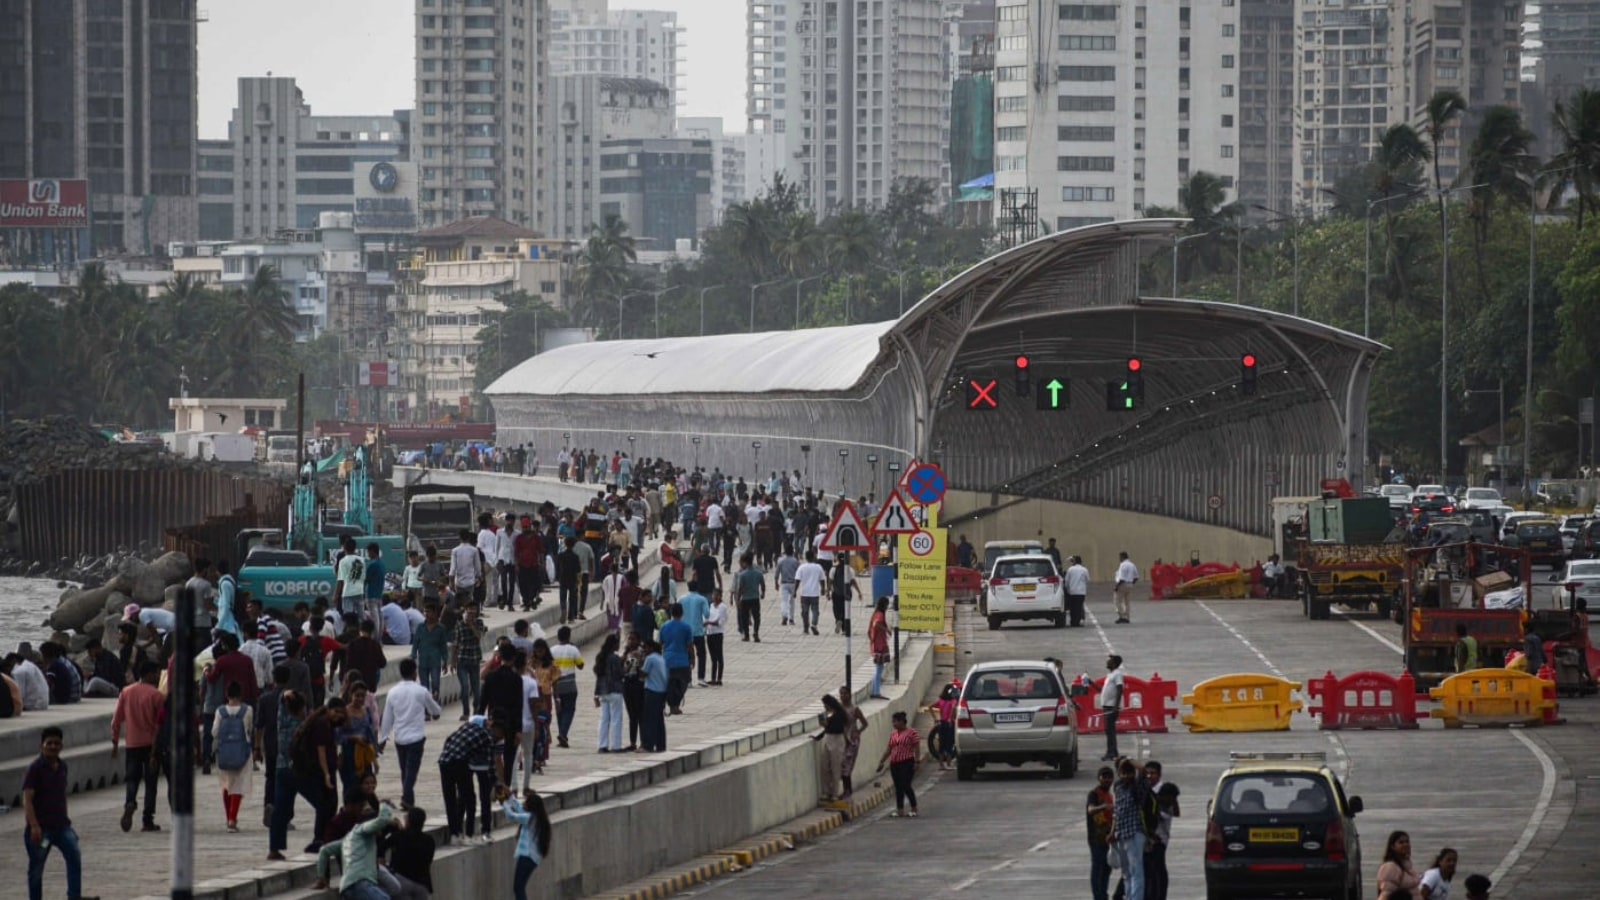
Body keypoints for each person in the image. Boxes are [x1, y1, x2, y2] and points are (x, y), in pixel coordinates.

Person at [23, 726, 96, 900]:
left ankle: (74, 896)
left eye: (57, 743)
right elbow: (27, 799)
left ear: (62, 745)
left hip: (61, 827)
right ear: (42, 746)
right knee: (37, 868)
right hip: (42, 830)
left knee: (74, 856)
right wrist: (34, 826)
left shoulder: (62, 767)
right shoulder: (35, 769)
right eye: (49, 743)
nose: (53, 746)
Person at [379, 659, 441, 809]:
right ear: (415, 672)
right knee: (411, 771)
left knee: (404, 771)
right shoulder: (421, 691)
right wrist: (435, 709)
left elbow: (387, 717)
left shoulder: (393, 692)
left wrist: (383, 737)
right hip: (416, 737)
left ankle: (409, 800)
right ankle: (406, 798)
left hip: (400, 737)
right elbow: (436, 711)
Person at [110, 661, 165, 833]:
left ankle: (130, 802)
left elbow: (116, 720)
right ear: (149, 674)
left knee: (132, 779)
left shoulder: (126, 692)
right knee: (151, 783)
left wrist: (115, 742)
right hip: (151, 745)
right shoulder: (157, 695)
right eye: (156, 674)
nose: (157, 677)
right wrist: (156, 751)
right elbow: (159, 725)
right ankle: (147, 820)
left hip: (132, 743)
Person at [313, 800, 396, 900]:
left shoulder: (349, 837)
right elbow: (382, 819)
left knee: (391, 891)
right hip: (359, 884)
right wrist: (384, 804)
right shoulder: (363, 830)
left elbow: (324, 850)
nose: (380, 830)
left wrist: (321, 876)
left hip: (348, 887)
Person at [437, 715, 495, 843]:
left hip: (444, 761)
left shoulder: (465, 727)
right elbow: (490, 766)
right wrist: (495, 785)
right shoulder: (487, 735)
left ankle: (455, 834)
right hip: (460, 762)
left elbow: (448, 740)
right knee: (470, 799)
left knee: (450, 800)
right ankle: (469, 834)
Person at [268, 689, 308, 860]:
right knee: (323, 803)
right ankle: (321, 839)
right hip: (300, 771)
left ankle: (274, 848)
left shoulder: (283, 722)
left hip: (282, 769)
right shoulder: (304, 724)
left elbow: (281, 705)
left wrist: (285, 695)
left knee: (279, 810)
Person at [214, 680, 256, 831]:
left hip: (224, 753)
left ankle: (229, 818)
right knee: (238, 786)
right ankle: (233, 818)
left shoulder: (220, 711)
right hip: (242, 753)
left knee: (226, 786)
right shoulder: (248, 710)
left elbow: (214, 731)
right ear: (240, 694)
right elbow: (250, 729)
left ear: (227, 694)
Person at [503, 789, 553, 900]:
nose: (524, 803)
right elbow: (520, 810)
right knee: (520, 887)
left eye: (526, 802)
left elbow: (512, 816)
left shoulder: (530, 818)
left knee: (518, 888)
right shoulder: (537, 818)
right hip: (533, 858)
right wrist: (511, 798)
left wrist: (504, 803)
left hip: (526, 857)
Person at [1109, 758, 1147, 900]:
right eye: (1123, 773)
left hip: (1134, 833)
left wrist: (1129, 760)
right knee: (1126, 873)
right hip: (1121, 834)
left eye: (1129, 773)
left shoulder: (1137, 787)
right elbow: (1117, 812)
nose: (1126, 776)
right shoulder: (1118, 787)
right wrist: (1113, 832)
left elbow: (1142, 770)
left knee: (1136, 871)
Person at [382, 807, 436, 899]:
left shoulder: (398, 836)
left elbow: (381, 846)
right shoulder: (429, 841)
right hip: (422, 884)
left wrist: (391, 828)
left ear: (409, 822)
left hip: (401, 882)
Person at [1144, 761, 1179, 900]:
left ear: (1159, 775)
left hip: (1159, 837)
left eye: (1153, 773)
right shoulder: (1145, 790)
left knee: (1157, 870)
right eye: (1147, 773)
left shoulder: (1163, 791)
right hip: (1147, 837)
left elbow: (1175, 811)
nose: (1149, 776)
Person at [875, 710, 921, 817]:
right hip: (895, 763)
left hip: (907, 762)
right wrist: (882, 761)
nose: (894, 724)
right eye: (893, 722)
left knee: (906, 785)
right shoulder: (893, 735)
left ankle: (914, 807)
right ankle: (900, 809)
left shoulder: (912, 732)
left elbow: (917, 747)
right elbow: (889, 749)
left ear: (902, 722)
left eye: (895, 722)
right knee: (898, 786)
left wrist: (917, 761)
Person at [450, 604, 487, 721]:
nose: (470, 614)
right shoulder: (459, 625)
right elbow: (455, 644)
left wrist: (471, 625)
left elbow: (479, 636)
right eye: (468, 611)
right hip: (462, 659)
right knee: (464, 687)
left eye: (473, 612)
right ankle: (465, 711)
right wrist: (452, 661)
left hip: (474, 659)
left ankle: (476, 707)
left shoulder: (479, 623)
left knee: (476, 688)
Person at [550, 626, 585, 748]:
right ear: (569, 636)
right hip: (570, 684)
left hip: (556, 685)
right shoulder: (573, 649)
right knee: (569, 710)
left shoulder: (552, 650)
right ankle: (563, 733)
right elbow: (581, 665)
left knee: (559, 711)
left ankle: (561, 735)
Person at [812, 693, 850, 802]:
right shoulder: (828, 714)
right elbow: (826, 730)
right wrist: (818, 736)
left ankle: (835, 793)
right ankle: (826, 792)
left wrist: (825, 724)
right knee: (824, 767)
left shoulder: (839, 714)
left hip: (837, 740)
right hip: (827, 738)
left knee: (835, 767)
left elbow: (837, 728)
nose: (825, 707)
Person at [1086, 766, 1116, 900]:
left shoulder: (1109, 795)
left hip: (1107, 837)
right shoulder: (1094, 794)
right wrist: (1104, 807)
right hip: (1096, 838)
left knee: (1106, 869)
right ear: (1099, 778)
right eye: (1104, 777)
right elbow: (1091, 810)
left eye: (1109, 777)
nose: (1107, 780)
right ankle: (1098, 896)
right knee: (1098, 869)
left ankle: (1103, 895)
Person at [411, 604, 450, 706]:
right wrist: (413, 656)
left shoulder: (441, 629)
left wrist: (445, 661)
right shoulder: (420, 628)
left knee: (435, 683)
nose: (426, 614)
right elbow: (415, 643)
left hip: (435, 661)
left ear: (434, 613)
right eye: (425, 612)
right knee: (424, 687)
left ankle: (435, 704)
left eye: (429, 611)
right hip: (422, 661)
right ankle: (427, 710)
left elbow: (443, 646)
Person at [659, 603, 693, 715]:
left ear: (671, 613)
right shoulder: (686, 627)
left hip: (667, 660)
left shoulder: (664, 627)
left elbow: (661, 643)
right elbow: (690, 646)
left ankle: (672, 705)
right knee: (683, 683)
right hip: (682, 660)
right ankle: (675, 705)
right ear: (682, 613)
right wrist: (692, 659)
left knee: (669, 684)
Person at [593, 633, 625, 752]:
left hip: (602, 691)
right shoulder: (614, 658)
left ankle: (602, 745)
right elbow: (620, 674)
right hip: (615, 690)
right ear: (614, 644)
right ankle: (616, 745)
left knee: (604, 719)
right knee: (616, 718)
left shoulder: (600, 657)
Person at [837, 686, 869, 798]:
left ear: (849, 695)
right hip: (842, 739)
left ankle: (847, 790)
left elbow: (865, 723)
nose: (842, 696)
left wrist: (858, 732)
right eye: (841, 694)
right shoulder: (839, 709)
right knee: (842, 765)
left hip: (852, 741)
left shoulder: (854, 709)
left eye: (845, 693)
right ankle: (847, 789)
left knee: (847, 764)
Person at [639, 639, 669, 752]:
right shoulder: (661, 658)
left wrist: (638, 665)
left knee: (649, 719)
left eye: (645, 648)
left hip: (652, 691)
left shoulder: (650, 658)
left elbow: (643, 674)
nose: (644, 650)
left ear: (651, 648)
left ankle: (648, 745)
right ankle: (661, 745)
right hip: (661, 692)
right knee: (659, 720)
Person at [678, 582, 711, 686]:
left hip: (685, 631)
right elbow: (707, 614)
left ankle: (688, 680)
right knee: (701, 654)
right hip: (698, 631)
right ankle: (701, 678)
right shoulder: (702, 599)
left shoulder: (681, 599)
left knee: (686, 655)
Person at [344, 619, 387, 693]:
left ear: (360, 629)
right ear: (372, 631)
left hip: (356, 682)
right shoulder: (375, 645)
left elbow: (348, 664)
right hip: (370, 681)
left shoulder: (353, 644)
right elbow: (383, 663)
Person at [1377, 831, 1422, 899]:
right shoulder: (1390, 867)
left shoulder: (1407, 867)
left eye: (1407, 842)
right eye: (1401, 842)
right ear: (1392, 847)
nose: (1405, 844)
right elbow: (1387, 895)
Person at [1100, 655, 1126, 761]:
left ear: (1114, 663)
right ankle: (1113, 752)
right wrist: (1091, 683)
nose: (1107, 662)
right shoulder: (1110, 675)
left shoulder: (1117, 674)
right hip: (1107, 706)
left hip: (1111, 706)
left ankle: (1110, 753)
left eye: (1109, 661)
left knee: (1109, 730)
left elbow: (1120, 689)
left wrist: (1116, 705)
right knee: (1109, 730)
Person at [928, 682, 958, 769]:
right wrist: (950, 718)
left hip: (941, 723)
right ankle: (948, 763)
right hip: (949, 723)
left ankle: (941, 764)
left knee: (942, 744)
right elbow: (953, 708)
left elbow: (930, 707)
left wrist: (935, 718)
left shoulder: (941, 701)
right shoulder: (953, 701)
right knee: (950, 743)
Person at [796, 551, 826, 636]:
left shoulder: (802, 567)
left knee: (804, 612)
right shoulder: (818, 567)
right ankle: (814, 625)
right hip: (814, 593)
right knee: (815, 610)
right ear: (813, 557)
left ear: (806, 557)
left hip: (804, 593)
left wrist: (795, 591)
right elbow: (822, 579)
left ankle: (806, 628)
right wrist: (823, 589)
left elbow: (797, 580)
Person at [868, 596, 891, 699]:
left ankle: (875, 690)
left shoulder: (875, 614)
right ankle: (876, 692)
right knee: (879, 669)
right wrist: (886, 630)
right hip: (880, 644)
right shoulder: (880, 614)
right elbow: (877, 624)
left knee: (879, 669)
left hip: (877, 643)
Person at [703, 591, 728, 685]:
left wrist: (709, 622)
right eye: (714, 595)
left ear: (720, 596)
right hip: (710, 632)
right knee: (713, 657)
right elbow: (706, 617)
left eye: (717, 595)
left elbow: (720, 621)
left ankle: (719, 678)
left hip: (718, 633)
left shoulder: (722, 607)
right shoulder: (711, 606)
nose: (715, 597)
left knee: (719, 656)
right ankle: (713, 678)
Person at [774, 544, 801, 626]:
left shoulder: (781, 561)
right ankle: (791, 619)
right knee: (792, 602)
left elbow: (777, 573)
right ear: (792, 551)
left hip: (784, 583)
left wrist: (776, 583)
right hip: (793, 583)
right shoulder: (795, 561)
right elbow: (799, 573)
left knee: (784, 601)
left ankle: (784, 615)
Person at [1113, 551, 1139, 624]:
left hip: (1123, 584)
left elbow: (1122, 578)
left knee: (1117, 601)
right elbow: (1136, 577)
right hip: (1130, 584)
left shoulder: (1122, 565)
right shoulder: (1132, 565)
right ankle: (1127, 616)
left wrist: (1117, 586)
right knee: (1127, 602)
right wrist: (1131, 583)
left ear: (1122, 557)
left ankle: (1122, 616)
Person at [1066, 556, 1091, 627]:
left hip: (1072, 591)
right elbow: (1087, 580)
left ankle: (1073, 621)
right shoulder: (1084, 570)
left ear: (1075, 561)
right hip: (1081, 592)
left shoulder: (1070, 569)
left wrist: (1068, 589)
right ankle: (1078, 620)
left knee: (1072, 608)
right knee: (1079, 607)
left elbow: (1067, 581)